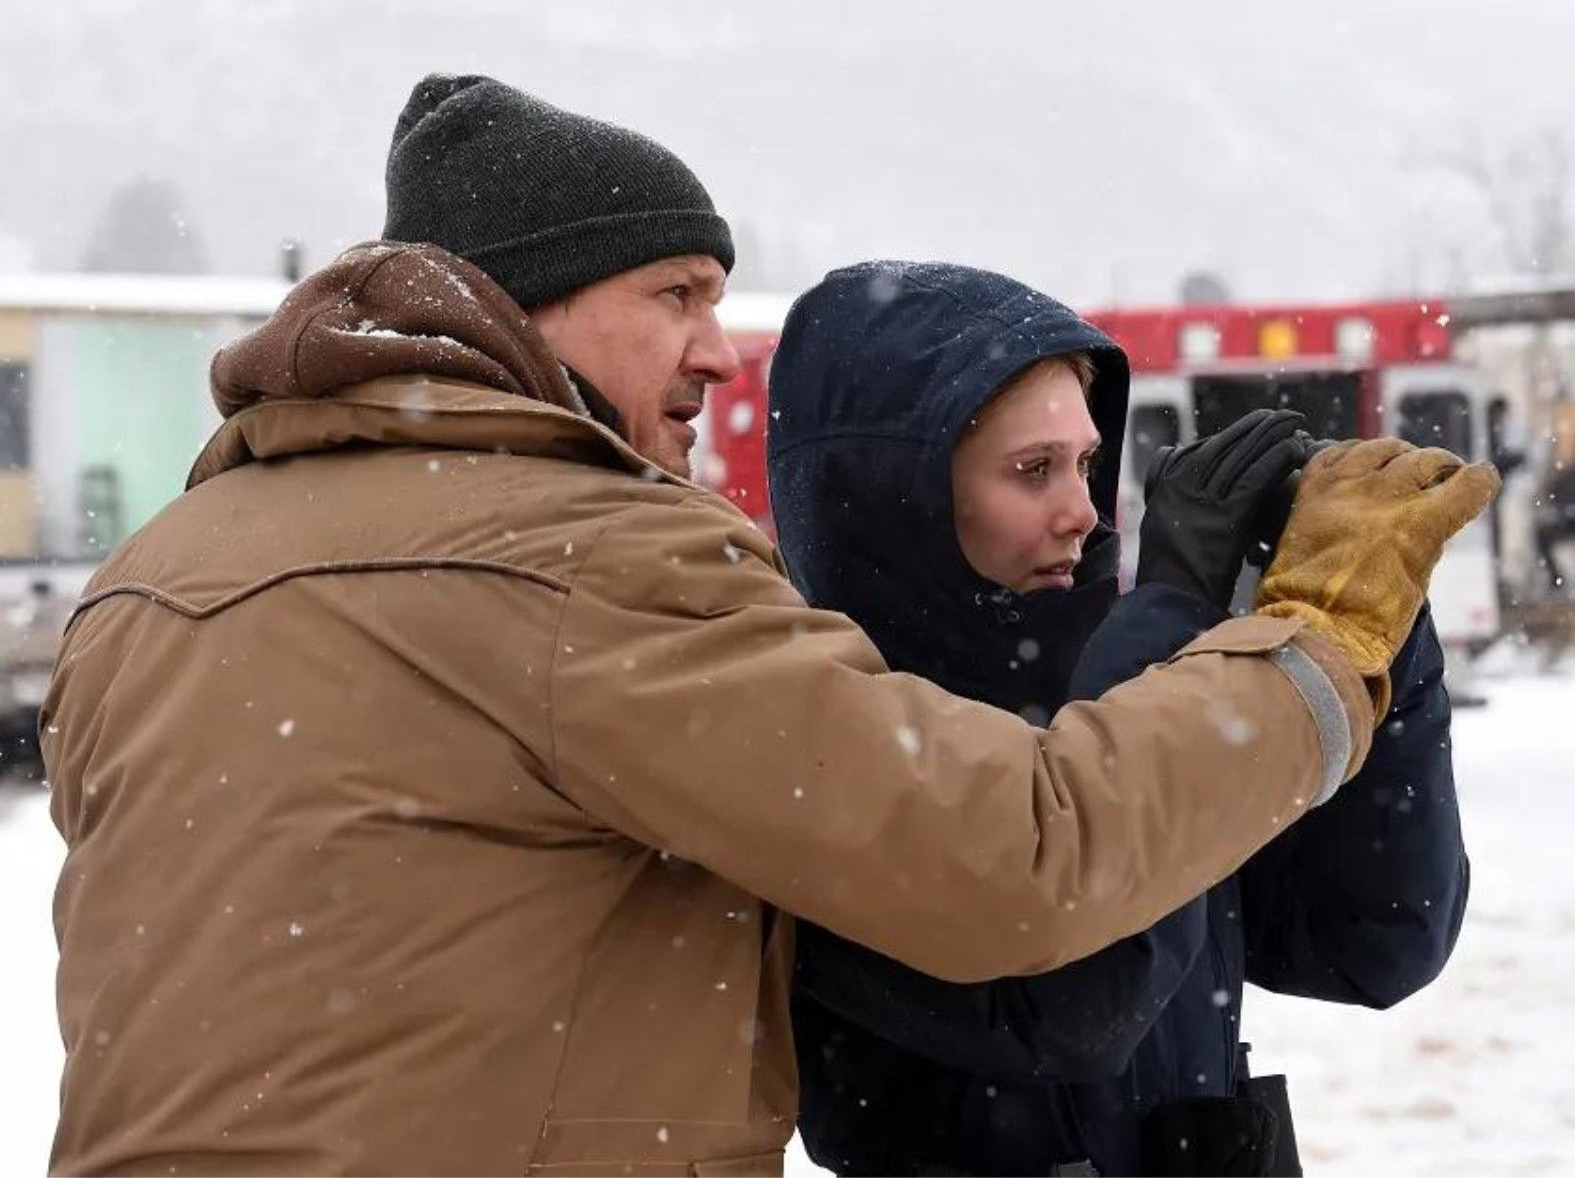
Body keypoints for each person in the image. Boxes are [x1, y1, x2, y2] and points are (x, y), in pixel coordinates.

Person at [41, 76, 1493, 1176]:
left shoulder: (158, 574)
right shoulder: (588, 562)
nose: (712, 348)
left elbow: (1373, 932)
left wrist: (1373, 644)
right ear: (520, 305)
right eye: (671, 293)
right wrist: (1309, 629)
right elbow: (1035, 881)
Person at [766, 260, 1474, 1176]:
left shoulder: (1127, 683)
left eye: (1087, 463)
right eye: (1033, 470)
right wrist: (1171, 613)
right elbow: (1078, 1001)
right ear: (887, 496)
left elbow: (1372, 940)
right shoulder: (815, 730)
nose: (1082, 511)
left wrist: (1369, 632)